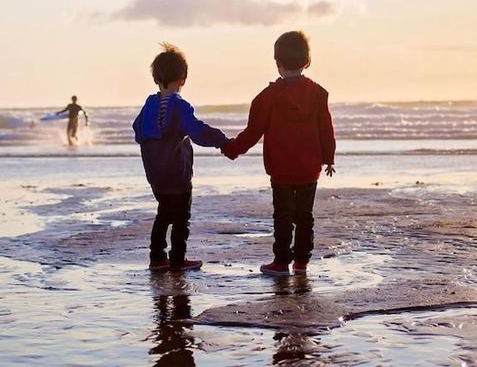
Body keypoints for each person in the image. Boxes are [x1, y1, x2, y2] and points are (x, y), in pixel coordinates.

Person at [223, 31, 335, 277]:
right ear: (307, 61)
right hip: (309, 168)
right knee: (304, 215)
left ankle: (281, 262)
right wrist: (328, 158)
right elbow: (326, 129)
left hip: (282, 168)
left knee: (283, 215)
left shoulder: (268, 97)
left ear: (277, 62)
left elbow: (253, 132)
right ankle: (302, 262)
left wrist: (231, 149)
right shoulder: (318, 94)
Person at [133, 43, 229, 272]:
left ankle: (157, 258)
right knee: (181, 218)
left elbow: (138, 130)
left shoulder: (149, 106)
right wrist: (223, 141)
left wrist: (155, 145)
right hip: (178, 175)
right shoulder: (180, 107)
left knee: (163, 215)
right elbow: (197, 131)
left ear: (156, 78)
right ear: (183, 79)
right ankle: (177, 259)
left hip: (156, 176)